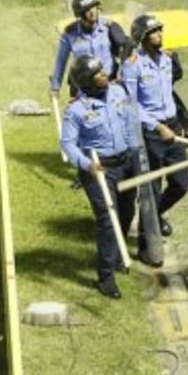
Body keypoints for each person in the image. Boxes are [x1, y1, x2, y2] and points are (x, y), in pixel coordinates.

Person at [60, 55, 143, 299]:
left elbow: (131, 122)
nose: (104, 74)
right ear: (87, 81)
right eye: (98, 73)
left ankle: (117, 256)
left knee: (127, 212)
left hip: (125, 162)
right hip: (99, 170)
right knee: (108, 220)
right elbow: (68, 144)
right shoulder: (76, 111)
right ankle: (105, 277)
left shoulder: (118, 93)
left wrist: (136, 152)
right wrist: (87, 164)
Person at [120, 14, 188, 240]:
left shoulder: (168, 60)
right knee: (152, 189)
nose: (160, 34)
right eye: (154, 32)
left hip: (173, 126)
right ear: (142, 37)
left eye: (160, 30)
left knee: (181, 183)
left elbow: (173, 86)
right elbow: (131, 104)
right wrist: (157, 127)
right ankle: (146, 243)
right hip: (151, 133)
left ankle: (153, 216)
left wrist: (175, 125)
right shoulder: (132, 66)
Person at [50, 0, 131, 97]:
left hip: (108, 84)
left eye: (94, 8)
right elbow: (61, 62)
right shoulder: (70, 34)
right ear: (80, 14)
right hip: (83, 90)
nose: (92, 13)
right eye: (87, 10)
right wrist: (55, 87)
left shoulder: (109, 27)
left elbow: (125, 51)